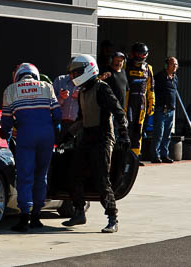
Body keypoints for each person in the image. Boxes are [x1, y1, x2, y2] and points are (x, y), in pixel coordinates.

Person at [61, 54, 130, 233]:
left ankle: (113, 218)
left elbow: (119, 112)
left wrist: (124, 133)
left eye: (76, 72)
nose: (73, 76)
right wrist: (67, 136)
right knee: (74, 174)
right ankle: (79, 212)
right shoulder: (82, 92)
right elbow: (81, 119)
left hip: (103, 137)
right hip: (87, 137)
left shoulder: (102, 89)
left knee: (102, 179)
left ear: (88, 70)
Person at [0, 63, 61, 232]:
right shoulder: (47, 87)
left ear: (18, 75)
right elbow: (57, 115)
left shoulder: (10, 90)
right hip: (47, 136)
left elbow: (5, 121)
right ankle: (37, 217)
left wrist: (8, 132)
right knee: (41, 175)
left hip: (26, 135)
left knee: (25, 176)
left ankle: (24, 217)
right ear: (36, 74)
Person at [125, 42, 155, 165]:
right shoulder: (126, 66)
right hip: (128, 102)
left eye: (144, 54)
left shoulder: (148, 68)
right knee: (128, 129)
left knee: (138, 130)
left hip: (141, 103)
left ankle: (135, 157)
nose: (142, 56)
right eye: (139, 53)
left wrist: (152, 103)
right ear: (133, 54)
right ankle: (125, 155)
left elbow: (151, 88)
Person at [150, 57, 179, 164]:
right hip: (161, 109)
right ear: (167, 65)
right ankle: (155, 155)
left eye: (176, 64)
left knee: (167, 134)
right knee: (159, 133)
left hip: (171, 110)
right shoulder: (159, 77)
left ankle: (164, 154)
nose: (175, 66)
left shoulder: (175, 78)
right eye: (172, 64)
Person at [53, 60, 80, 135]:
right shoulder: (59, 80)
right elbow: (50, 104)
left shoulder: (85, 83)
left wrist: (81, 96)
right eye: (72, 73)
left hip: (77, 124)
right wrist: (61, 97)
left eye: (77, 73)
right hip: (60, 123)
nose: (74, 76)